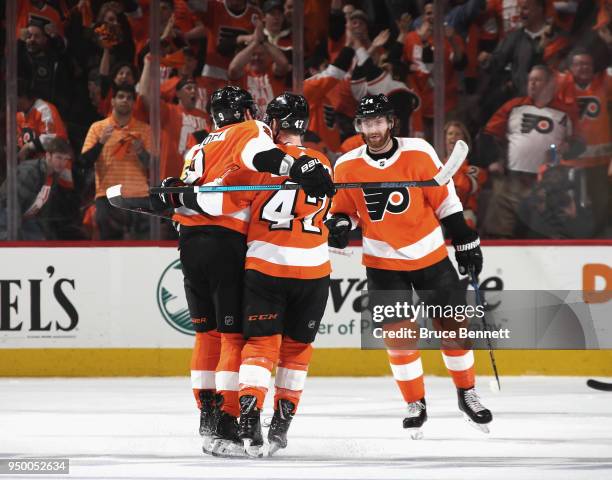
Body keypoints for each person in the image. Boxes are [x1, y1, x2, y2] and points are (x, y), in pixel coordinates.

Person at [150, 86, 334, 455]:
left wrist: (180, 196)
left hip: (191, 241)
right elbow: (255, 165)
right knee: (235, 338)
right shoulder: (254, 137)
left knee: (207, 335)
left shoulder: (199, 147)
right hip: (232, 244)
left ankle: (208, 419)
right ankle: (229, 423)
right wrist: (295, 166)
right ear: (248, 112)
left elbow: (207, 194)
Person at [326, 94, 493, 438]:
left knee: (455, 331)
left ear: (391, 123)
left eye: (378, 122)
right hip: (383, 263)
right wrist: (340, 224)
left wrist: (463, 237)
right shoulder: (346, 165)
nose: (372, 130)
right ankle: (415, 403)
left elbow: (444, 198)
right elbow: (345, 211)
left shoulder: (419, 151)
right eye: (366, 124)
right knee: (399, 338)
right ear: (359, 127)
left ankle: (467, 394)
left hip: (430, 256)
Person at [235, 93, 333, 457]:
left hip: (266, 266)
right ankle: (280, 426)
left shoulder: (260, 162)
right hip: (313, 270)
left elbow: (232, 211)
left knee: (261, 346)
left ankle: (248, 418)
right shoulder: (323, 162)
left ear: (273, 124)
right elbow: (329, 212)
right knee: (297, 351)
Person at [479, 64, 581, 238]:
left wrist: (569, 148)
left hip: (547, 184)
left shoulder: (566, 112)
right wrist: (493, 160)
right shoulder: (513, 106)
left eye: (537, 80)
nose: (532, 84)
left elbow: (579, 143)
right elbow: (488, 135)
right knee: (499, 230)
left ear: (550, 84)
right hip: (512, 180)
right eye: (530, 80)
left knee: (542, 233)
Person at [79, 83, 152, 240]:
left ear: (133, 103)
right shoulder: (97, 128)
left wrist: (141, 151)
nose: (125, 100)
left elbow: (152, 166)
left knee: (142, 250)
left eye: (129, 98)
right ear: (112, 101)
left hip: (139, 195)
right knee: (110, 248)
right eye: (120, 97)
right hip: (107, 195)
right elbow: (84, 161)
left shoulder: (145, 129)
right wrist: (101, 142)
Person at [0, 137, 73, 240]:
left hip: (24, 218)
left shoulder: (53, 176)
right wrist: (14, 235)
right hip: (7, 216)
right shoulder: (30, 171)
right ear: (48, 155)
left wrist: (47, 235)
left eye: (66, 159)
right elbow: (13, 202)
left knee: (41, 240)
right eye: (59, 157)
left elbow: (43, 210)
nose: (62, 163)